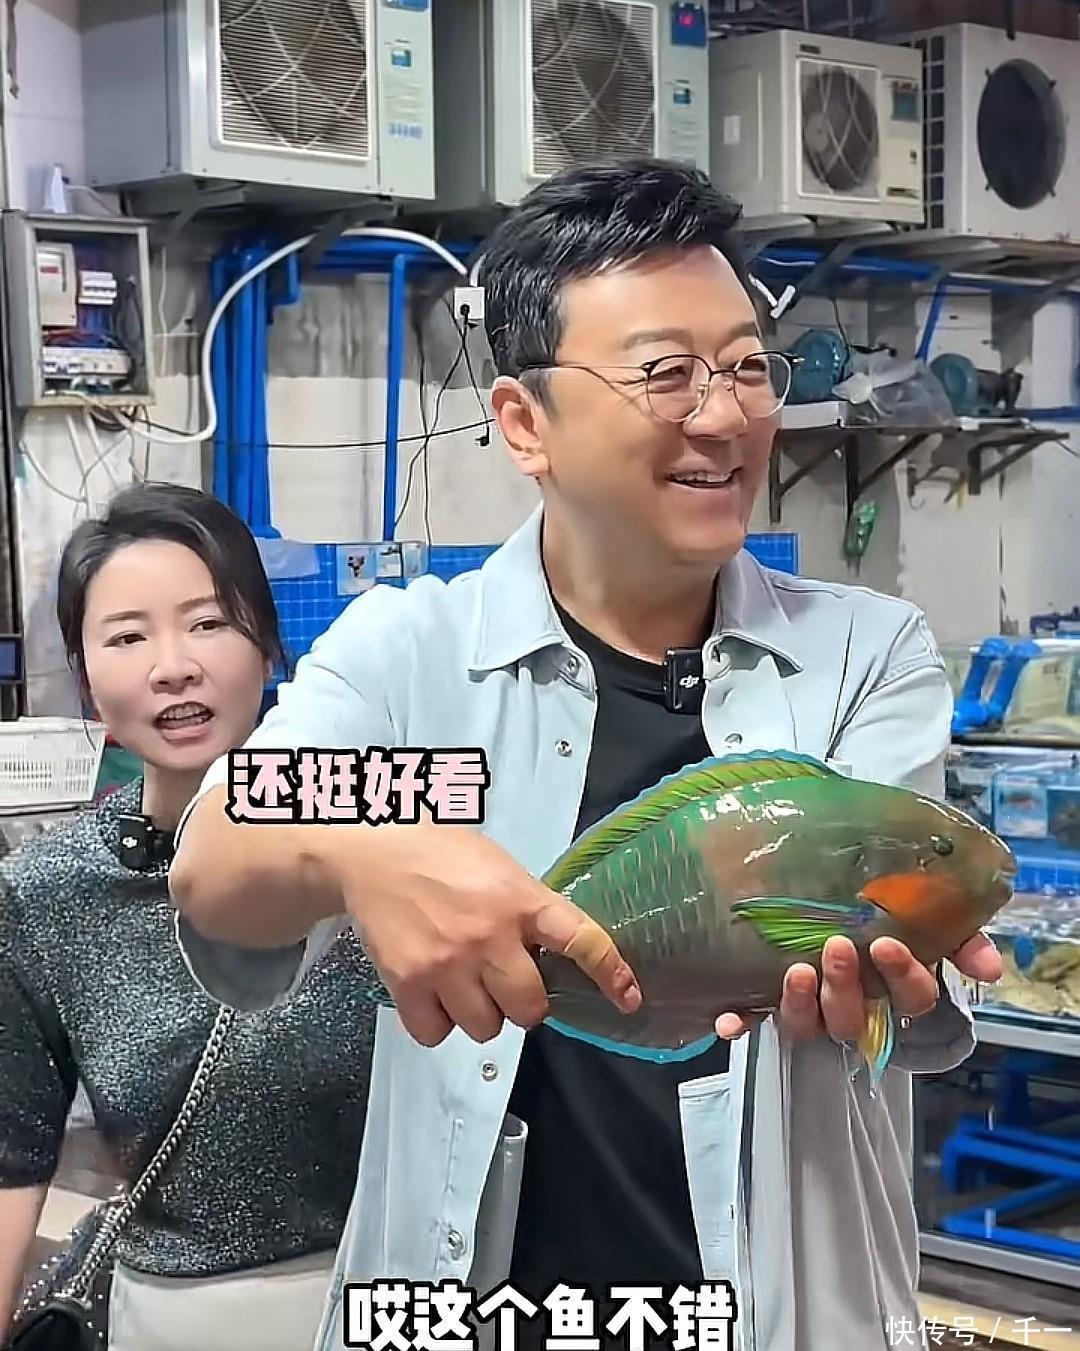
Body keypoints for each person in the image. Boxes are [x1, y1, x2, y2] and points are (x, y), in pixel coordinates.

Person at [168, 160, 1002, 1351]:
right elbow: (218, 847)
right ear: (527, 424)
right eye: (667, 374)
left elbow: (896, 945)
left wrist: (893, 971)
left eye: (746, 367)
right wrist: (360, 856)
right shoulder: (416, 660)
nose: (724, 416)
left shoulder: (863, 655)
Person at [0, 483, 380, 1351]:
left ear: (269, 647)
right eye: (128, 637)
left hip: (399, 1298)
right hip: (170, 1320)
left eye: (209, 623)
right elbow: (10, 1160)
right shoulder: (44, 893)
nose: (173, 666)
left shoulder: (377, 846)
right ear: (86, 678)